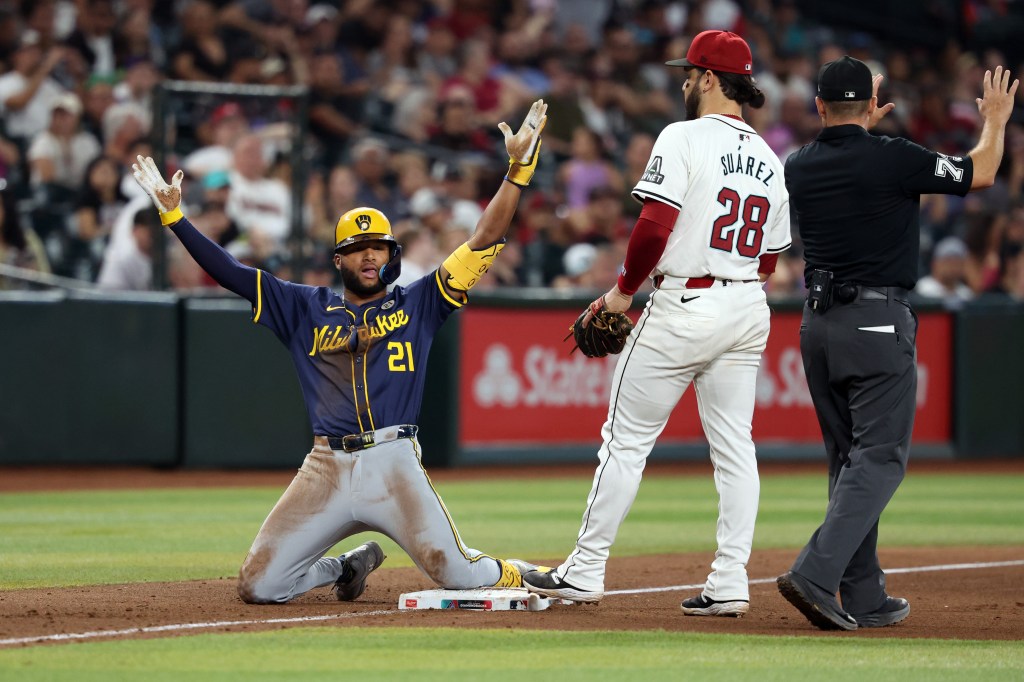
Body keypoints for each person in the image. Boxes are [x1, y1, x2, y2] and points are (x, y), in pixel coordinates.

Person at [131, 99, 549, 605]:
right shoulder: (302, 306)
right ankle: (345, 567)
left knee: (457, 574)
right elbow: (231, 273)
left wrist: (517, 172)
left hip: (393, 460)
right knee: (259, 585)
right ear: (339, 259)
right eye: (357, 247)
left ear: (392, 256)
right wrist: (175, 216)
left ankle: (526, 572)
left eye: (379, 246)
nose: (369, 254)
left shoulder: (422, 301)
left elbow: (485, 238)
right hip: (325, 464)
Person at [522, 31, 791, 617]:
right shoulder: (770, 159)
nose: (684, 82)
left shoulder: (683, 136)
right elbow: (769, 261)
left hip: (685, 304)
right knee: (735, 449)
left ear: (711, 79)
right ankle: (729, 580)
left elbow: (652, 226)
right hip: (747, 305)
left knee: (625, 442)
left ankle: (585, 569)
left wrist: (622, 294)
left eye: (690, 73)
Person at [777, 57, 1015, 631]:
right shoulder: (895, 157)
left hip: (817, 326)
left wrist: (860, 122)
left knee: (849, 460)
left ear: (818, 106)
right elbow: (979, 173)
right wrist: (998, 121)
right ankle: (815, 574)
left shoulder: (799, 164)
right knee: (880, 457)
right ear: (872, 105)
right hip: (875, 322)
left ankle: (862, 593)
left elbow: (846, 154)